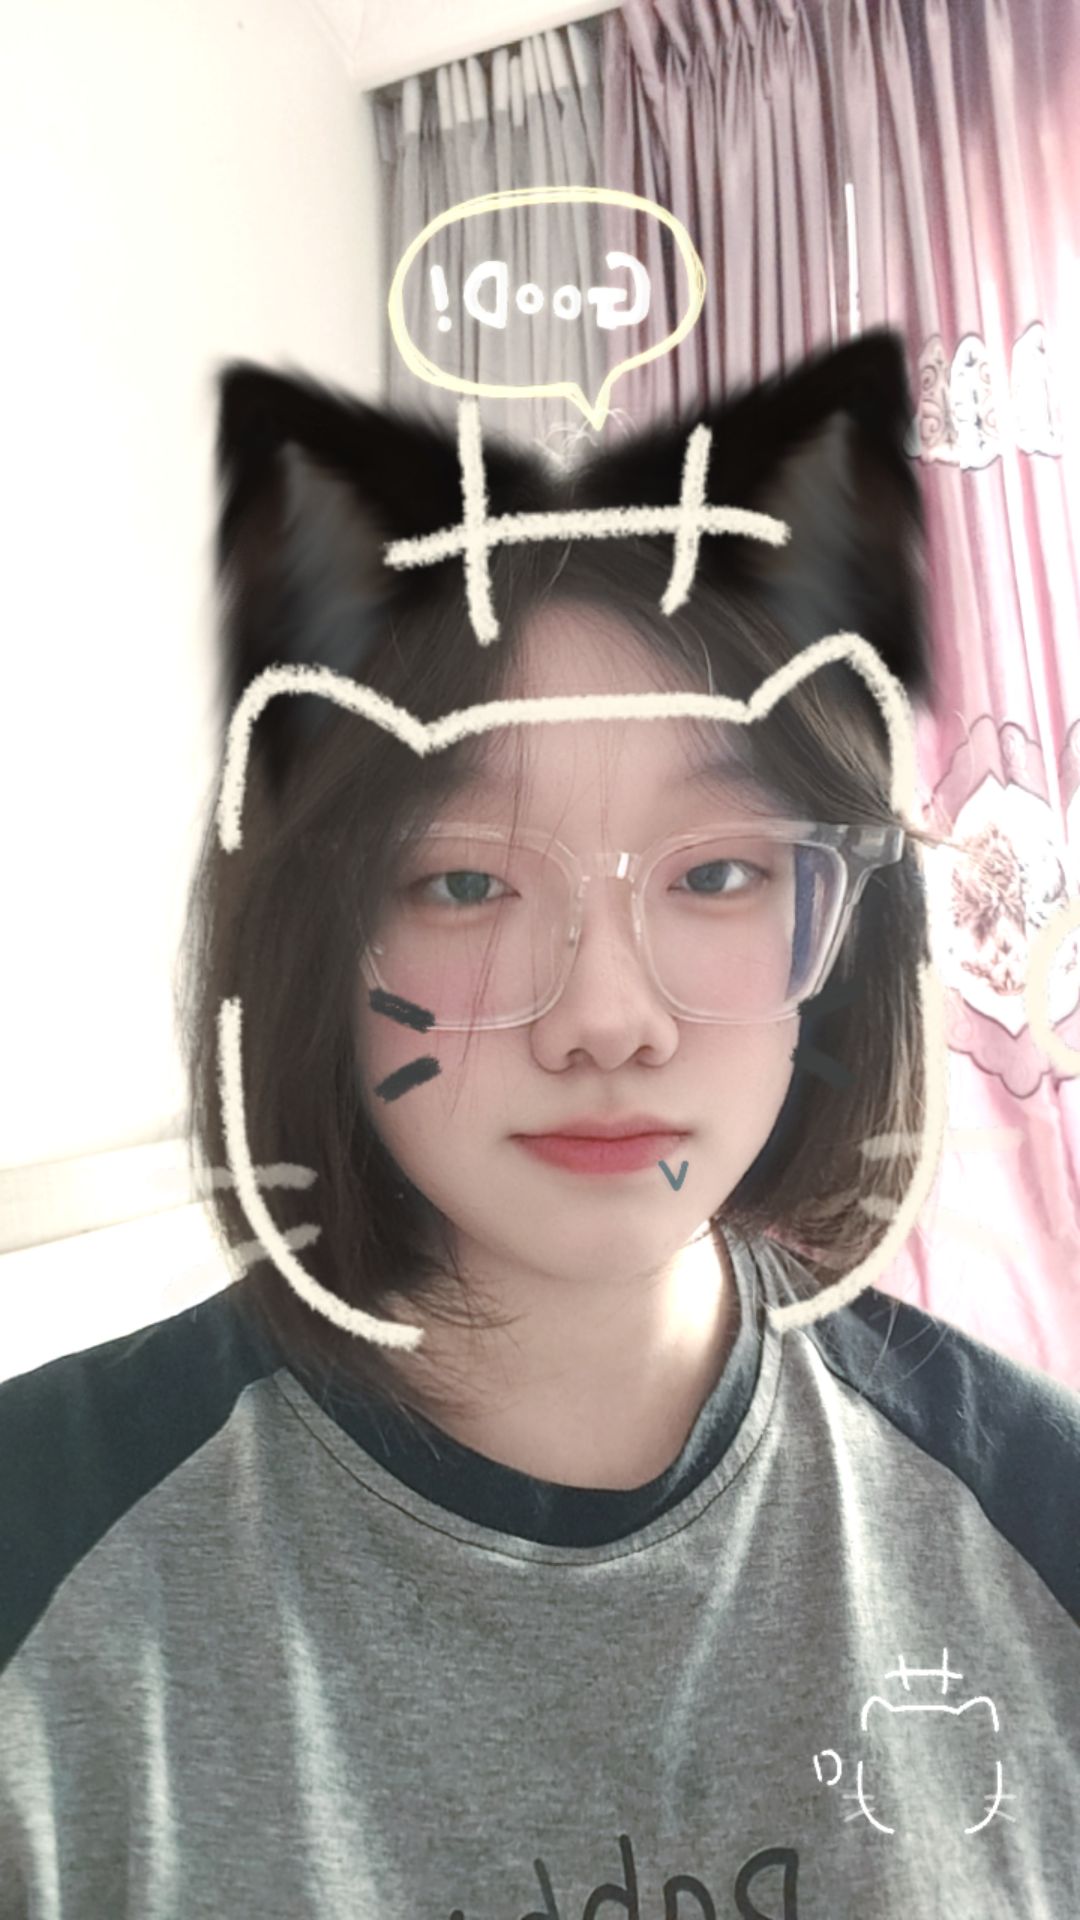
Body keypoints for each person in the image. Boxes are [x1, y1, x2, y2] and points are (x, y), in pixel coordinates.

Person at [1, 331, 1077, 1918]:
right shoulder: (45, 1558)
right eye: (464, 882)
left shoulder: (1036, 1513)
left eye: (720, 873)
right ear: (310, 941)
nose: (605, 1018)